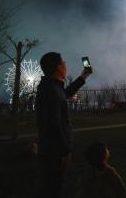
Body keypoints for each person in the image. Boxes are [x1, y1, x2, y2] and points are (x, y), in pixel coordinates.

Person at [36, 52, 92, 198]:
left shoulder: (52, 87)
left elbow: (65, 94)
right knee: (53, 189)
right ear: (58, 67)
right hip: (54, 152)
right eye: (64, 63)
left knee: (52, 187)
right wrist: (64, 152)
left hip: (51, 149)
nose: (66, 65)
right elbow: (53, 124)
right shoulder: (50, 90)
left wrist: (83, 77)